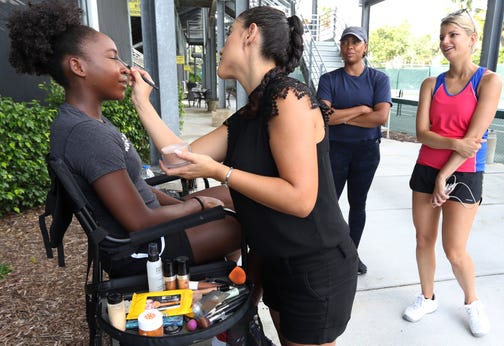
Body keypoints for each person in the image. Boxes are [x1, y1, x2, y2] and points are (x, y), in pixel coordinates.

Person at [130, 6, 358, 346]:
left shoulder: (289, 98)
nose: (221, 47)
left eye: (229, 34)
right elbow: (180, 159)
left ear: (250, 34)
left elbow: (300, 199)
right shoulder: (251, 112)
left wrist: (222, 172)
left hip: (314, 265)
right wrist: (142, 103)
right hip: (277, 261)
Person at [7, 0, 241, 278]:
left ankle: (225, 277)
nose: (125, 68)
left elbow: (136, 186)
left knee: (238, 196)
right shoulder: (87, 135)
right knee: (259, 221)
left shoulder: (85, 121)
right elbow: (140, 221)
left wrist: (185, 209)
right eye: (113, 57)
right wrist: (197, 206)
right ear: (78, 66)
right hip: (141, 248)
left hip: (152, 228)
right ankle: (244, 299)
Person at [402, 9, 502, 338]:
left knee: (454, 250)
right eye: (442, 36)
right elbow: (422, 133)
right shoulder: (432, 83)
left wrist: (445, 173)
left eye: (453, 35)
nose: (445, 42)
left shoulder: (488, 81)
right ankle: (427, 297)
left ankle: (472, 302)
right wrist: (452, 144)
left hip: (464, 173)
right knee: (423, 239)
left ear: (472, 39)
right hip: (425, 168)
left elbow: (474, 142)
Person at [316, 26, 392, 274]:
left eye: (356, 42)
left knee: (357, 204)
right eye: (345, 42)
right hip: (335, 151)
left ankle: (351, 255)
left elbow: (380, 116)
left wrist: (342, 117)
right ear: (340, 47)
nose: (350, 46)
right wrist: (360, 109)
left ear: (365, 47)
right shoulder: (329, 80)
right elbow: (324, 117)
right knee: (330, 204)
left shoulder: (378, 79)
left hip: (366, 152)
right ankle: (327, 254)